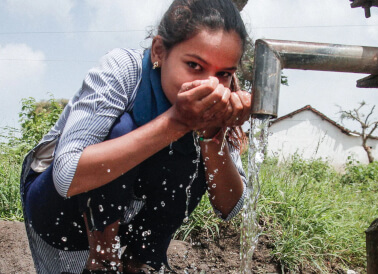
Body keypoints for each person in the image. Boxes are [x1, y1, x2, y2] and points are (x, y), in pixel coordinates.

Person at [20, 0, 251, 272]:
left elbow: (230, 207)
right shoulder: (125, 71)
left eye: (223, 74)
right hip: (61, 210)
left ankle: (141, 262)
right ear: (159, 52)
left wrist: (213, 134)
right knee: (123, 128)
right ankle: (104, 259)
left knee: (198, 146)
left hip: (132, 217)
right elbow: (66, 176)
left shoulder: (224, 101)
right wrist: (177, 121)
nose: (210, 85)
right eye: (194, 66)